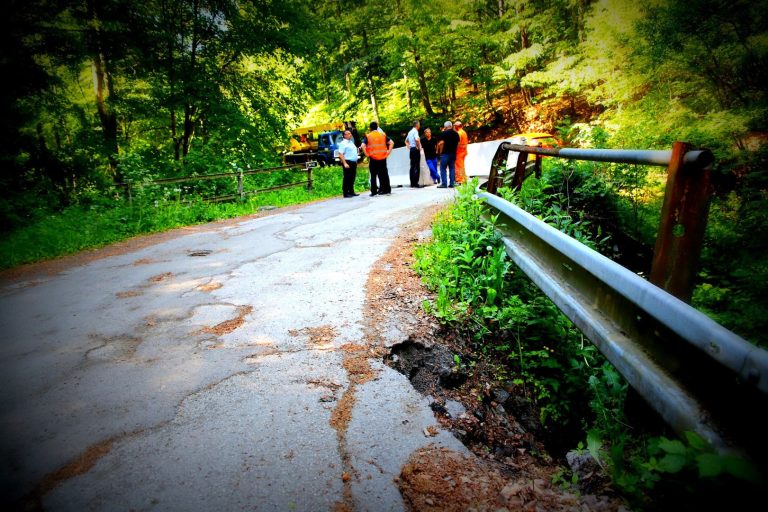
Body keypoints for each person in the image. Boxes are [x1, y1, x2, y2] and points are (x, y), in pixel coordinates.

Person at [360, 121, 394, 196]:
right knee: (384, 173)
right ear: (377, 126)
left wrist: (367, 154)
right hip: (383, 157)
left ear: (370, 128)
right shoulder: (383, 134)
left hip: (373, 158)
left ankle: (374, 191)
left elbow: (363, 145)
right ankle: (387, 190)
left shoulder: (368, 136)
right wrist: (388, 152)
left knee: (373, 175)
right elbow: (391, 143)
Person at [436, 120, 460, 188]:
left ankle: (444, 184)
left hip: (445, 154)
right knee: (452, 168)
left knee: (443, 168)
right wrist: (455, 150)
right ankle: (452, 183)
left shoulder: (443, 133)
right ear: (451, 126)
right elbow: (458, 144)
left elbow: (441, 143)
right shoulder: (456, 133)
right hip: (453, 154)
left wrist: (440, 152)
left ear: (445, 127)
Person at [337, 129, 359, 198]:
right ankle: (345, 193)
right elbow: (341, 154)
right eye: (349, 133)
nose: (350, 134)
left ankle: (351, 191)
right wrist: (345, 163)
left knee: (352, 177)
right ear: (345, 135)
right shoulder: (343, 143)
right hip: (347, 162)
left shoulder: (351, 142)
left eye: (350, 133)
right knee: (347, 177)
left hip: (353, 162)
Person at [405, 120, 422, 188]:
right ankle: (416, 183)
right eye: (419, 124)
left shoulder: (410, 132)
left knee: (412, 166)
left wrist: (408, 146)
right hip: (415, 149)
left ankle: (412, 183)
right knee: (417, 166)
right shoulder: (415, 131)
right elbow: (417, 140)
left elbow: (406, 141)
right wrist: (418, 147)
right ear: (417, 125)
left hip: (411, 150)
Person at [454, 120, 468, 184]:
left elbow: (457, 143)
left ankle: (460, 179)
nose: (454, 127)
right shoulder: (464, 132)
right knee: (461, 165)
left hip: (459, 152)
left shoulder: (459, 133)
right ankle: (463, 178)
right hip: (464, 151)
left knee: (459, 166)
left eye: (454, 126)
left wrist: (454, 150)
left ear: (457, 126)